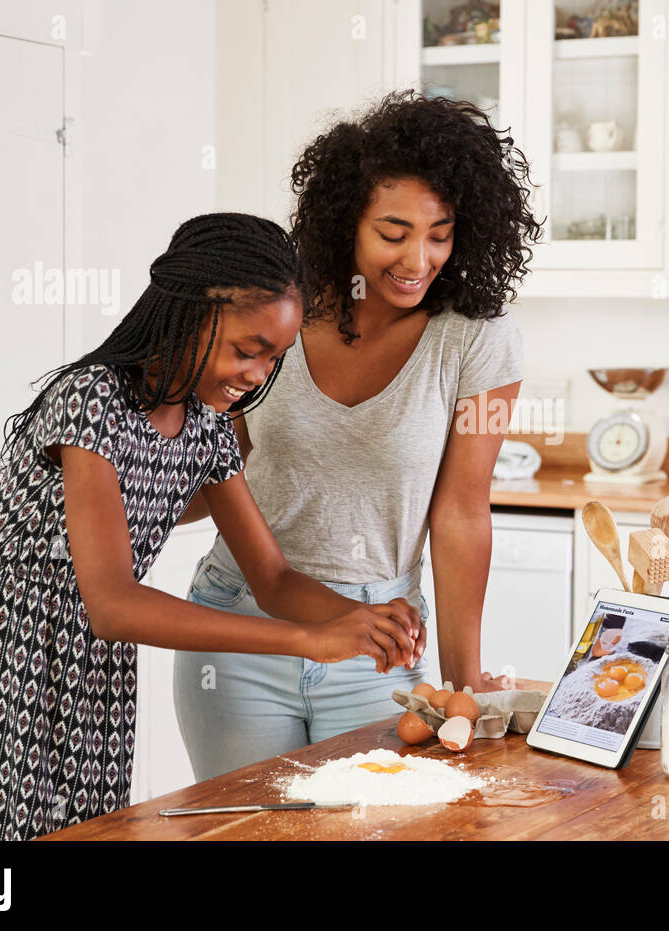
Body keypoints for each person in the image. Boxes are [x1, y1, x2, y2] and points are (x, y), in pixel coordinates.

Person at [0, 213, 420, 841]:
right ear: (189, 312)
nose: (257, 376)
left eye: (273, 360)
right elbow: (112, 603)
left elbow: (273, 578)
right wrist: (306, 641)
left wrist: (355, 619)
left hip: (87, 681)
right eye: (247, 350)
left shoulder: (205, 430)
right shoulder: (91, 400)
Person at [173, 91, 542, 781]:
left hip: (378, 639)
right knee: (245, 833)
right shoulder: (280, 314)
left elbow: (462, 510)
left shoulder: (480, 341)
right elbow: (218, 464)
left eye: (441, 231)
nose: (419, 257)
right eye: (393, 231)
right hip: (241, 626)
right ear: (347, 224)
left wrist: (465, 682)